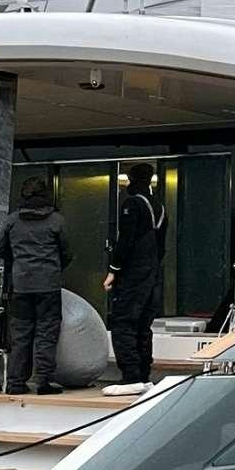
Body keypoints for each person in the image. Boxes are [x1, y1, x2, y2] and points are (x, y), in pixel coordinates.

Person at [0, 175, 71, 394]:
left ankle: (15, 382)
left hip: (21, 285)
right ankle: (42, 381)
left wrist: (18, 262)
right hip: (49, 285)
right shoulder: (56, 220)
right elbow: (67, 253)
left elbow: (0, 250)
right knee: (47, 333)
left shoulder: (12, 220)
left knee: (20, 335)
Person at [105, 163, 166, 386]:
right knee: (143, 325)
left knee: (123, 323)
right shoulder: (159, 206)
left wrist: (114, 270)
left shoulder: (132, 204)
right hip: (153, 273)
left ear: (132, 179)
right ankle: (143, 374)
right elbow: (161, 246)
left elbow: (126, 241)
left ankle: (130, 375)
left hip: (133, 274)